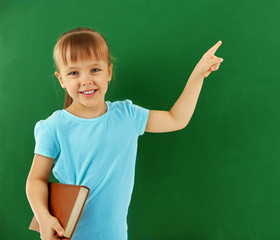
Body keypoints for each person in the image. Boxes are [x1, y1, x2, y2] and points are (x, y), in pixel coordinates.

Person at [25, 27, 223, 240]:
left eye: (95, 70)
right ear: (61, 79)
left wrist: (198, 74)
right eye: (74, 73)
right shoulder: (54, 127)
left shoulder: (127, 115)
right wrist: (44, 217)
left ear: (109, 72)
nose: (86, 80)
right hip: (68, 235)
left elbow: (176, 119)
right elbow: (35, 180)